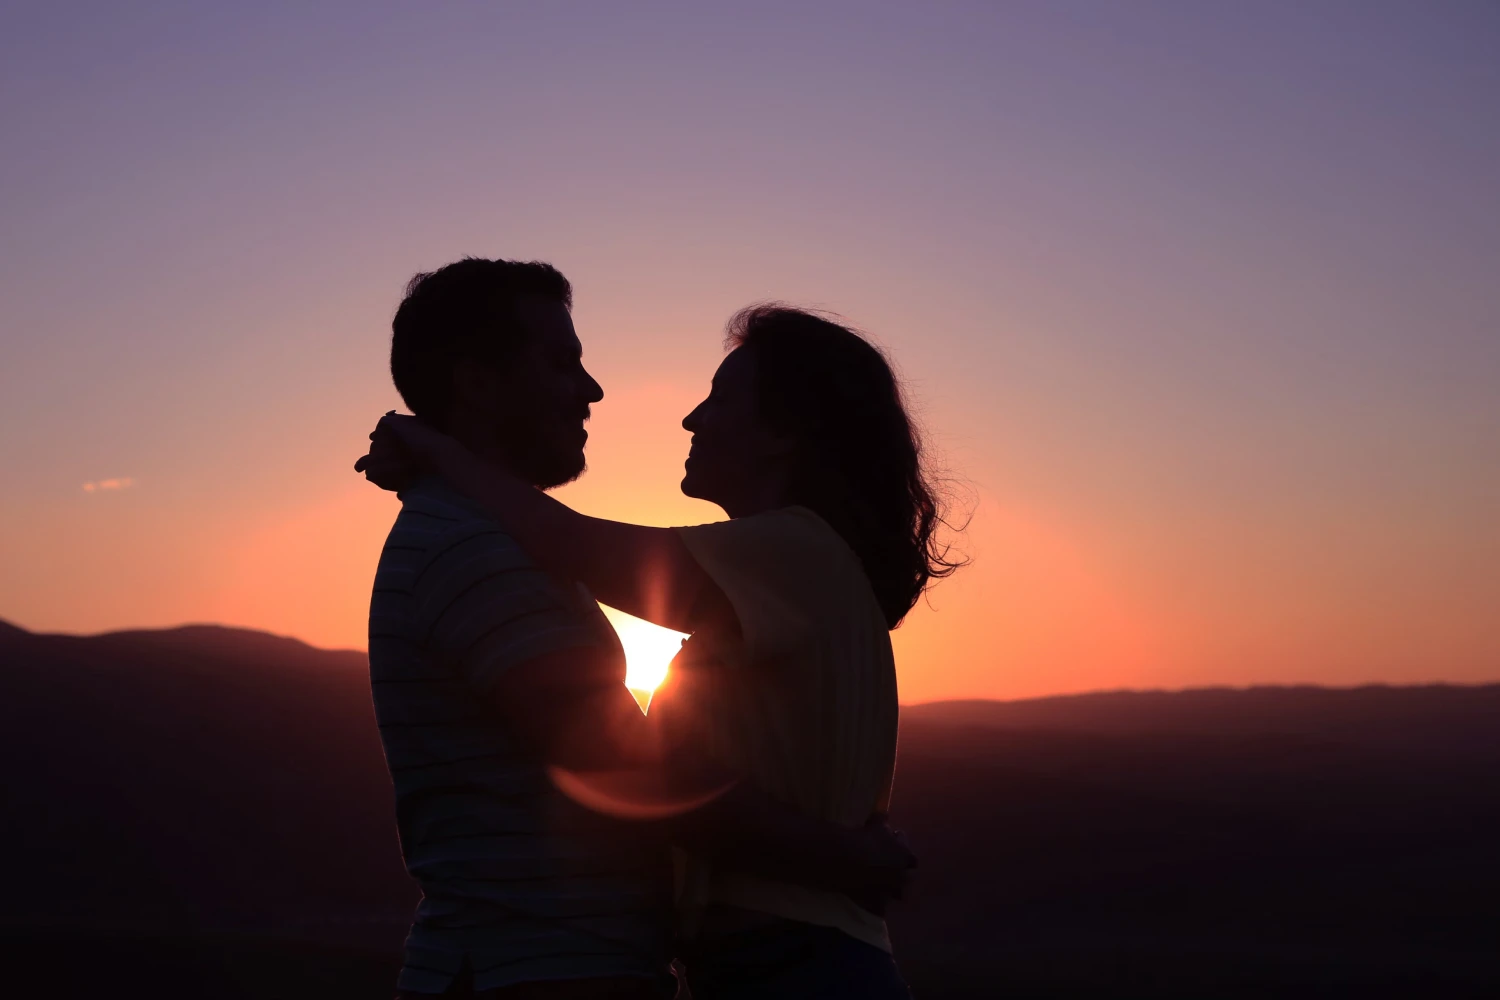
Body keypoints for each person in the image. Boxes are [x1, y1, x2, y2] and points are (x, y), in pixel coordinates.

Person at [362, 294, 960, 999]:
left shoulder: (796, 552)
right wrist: (840, 855)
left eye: (717, 399)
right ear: (478, 383)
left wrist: (436, 452)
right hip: (758, 960)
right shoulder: (785, 569)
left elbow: (576, 544)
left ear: (783, 434)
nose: (690, 417)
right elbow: (628, 762)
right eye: (562, 362)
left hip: (793, 961)